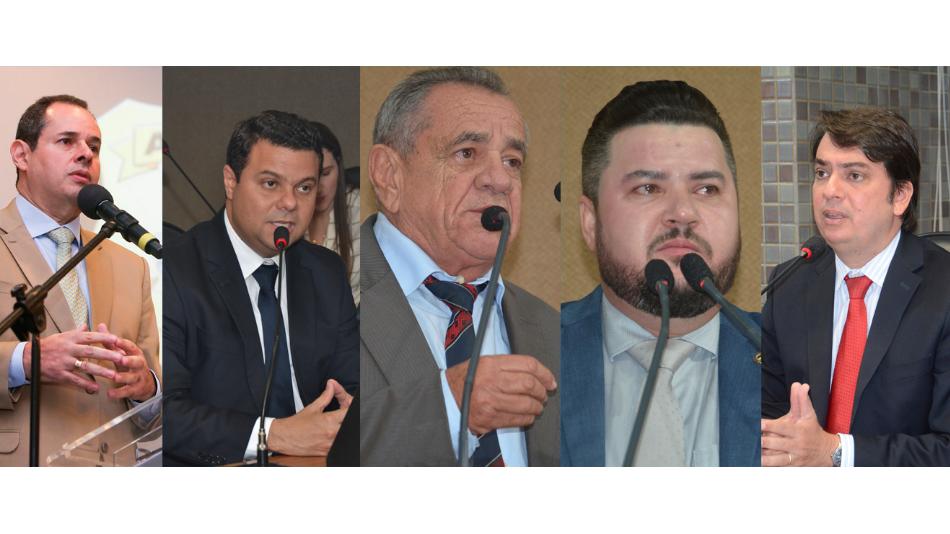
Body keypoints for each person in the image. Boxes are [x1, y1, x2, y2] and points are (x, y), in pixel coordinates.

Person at [360, 67, 559, 466]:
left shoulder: (552, 328)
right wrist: (451, 407)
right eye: (466, 153)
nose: (500, 180)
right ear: (388, 175)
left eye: (512, 161)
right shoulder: (317, 294)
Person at [561, 80, 760, 467]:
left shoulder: (793, 360)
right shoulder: (535, 351)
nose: (683, 213)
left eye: (706, 189)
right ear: (590, 222)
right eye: (648, 188)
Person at [162, 110, 358, 466]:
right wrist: (274, 434)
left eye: (304, 187)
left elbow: (354, 383)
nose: (290, 203)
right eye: (271, 184)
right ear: (230, 182)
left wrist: (353, 415)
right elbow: (165, 412)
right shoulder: (175, 269)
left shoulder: (325, 271)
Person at [761, 108, 950, 467]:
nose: (830, 191)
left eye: (855, 175)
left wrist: (837, 453)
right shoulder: (789, 285)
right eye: (822, 173)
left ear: (900, 195)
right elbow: (767, 417)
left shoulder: (943, 291)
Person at [0, 95, 159, 466]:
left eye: (94, 146)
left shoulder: (131, 266)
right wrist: (24, 361)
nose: (86, 153)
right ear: (21, 155)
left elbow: (153, 405)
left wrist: (147, 387)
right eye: (66, 141)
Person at [306, 121, 359, 307]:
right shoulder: (289, 212)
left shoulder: (357, 209)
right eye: (311, 177)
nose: (319, 187)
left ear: (339, 167)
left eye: (326, 173)